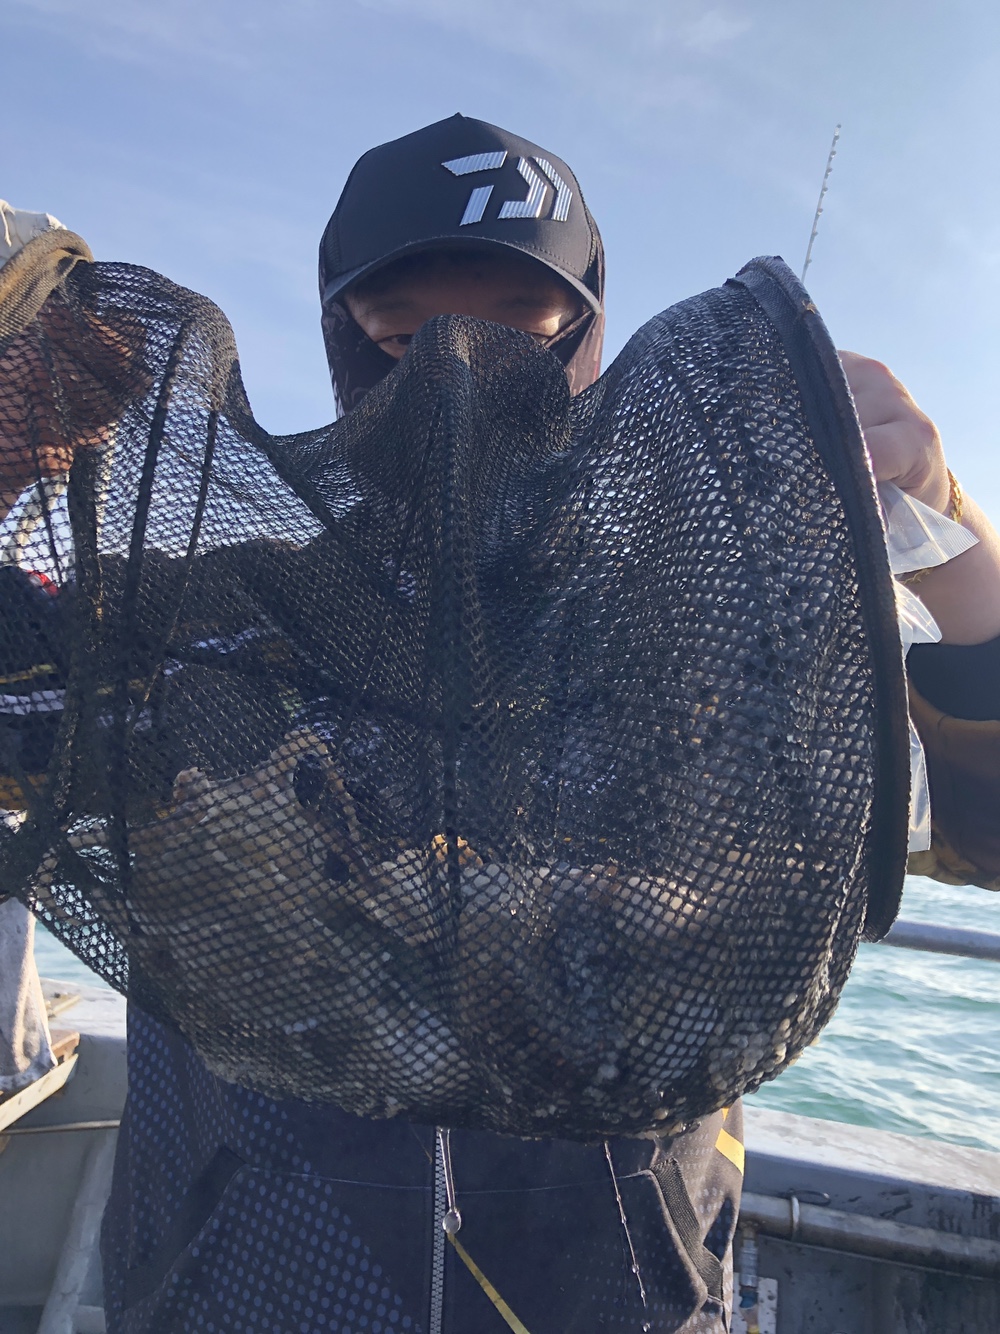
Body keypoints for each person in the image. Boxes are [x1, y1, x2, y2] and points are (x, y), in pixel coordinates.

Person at [2, 114, 999, 1334]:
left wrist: (957, 555)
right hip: (235, 1283)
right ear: (340, 343)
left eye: (520, 335)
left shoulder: (714, 638)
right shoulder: (186, 622)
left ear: (591, 344)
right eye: (402, 339)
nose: (456, 381)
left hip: (620, 1294)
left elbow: (985, 832)